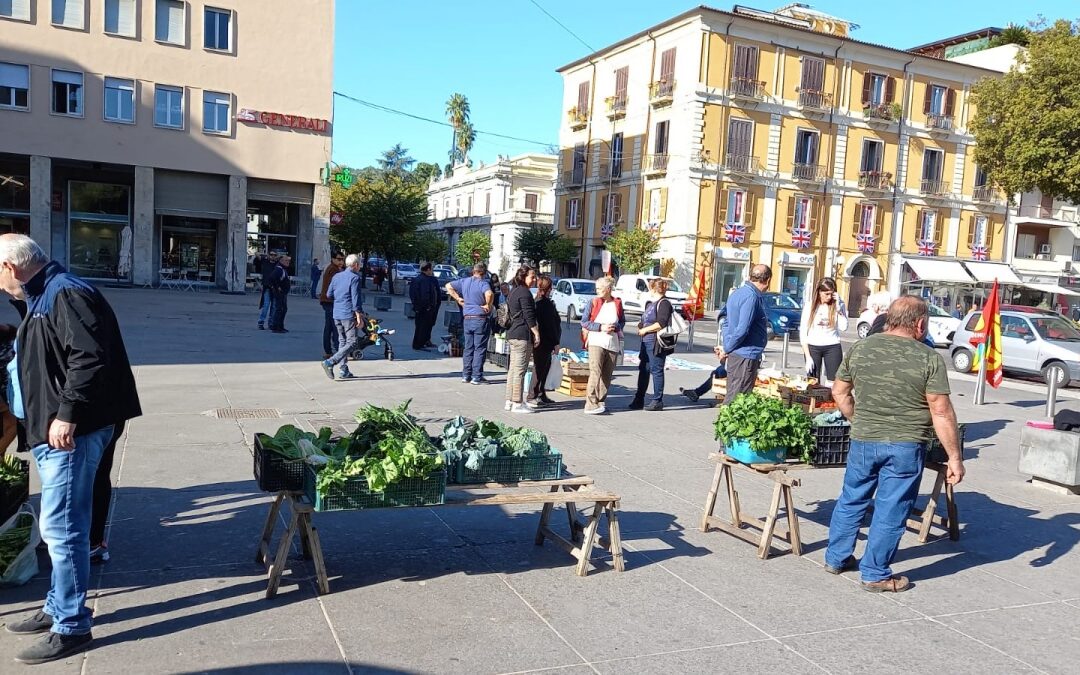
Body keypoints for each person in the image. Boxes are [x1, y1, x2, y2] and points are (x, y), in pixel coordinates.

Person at [0, 234, 141, 664]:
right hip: (53, 429)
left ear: (10, 268)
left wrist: (67, 414)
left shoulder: (65, 293)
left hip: (71, 432)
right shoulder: (42, 293)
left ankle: (72, 626)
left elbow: (90, 358)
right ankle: (57, 606)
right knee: (59, 527)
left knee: (64, 531)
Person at [825, 296, 964, 593]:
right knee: (891, 508)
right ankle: (874, 573)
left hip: (864, 439)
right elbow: (940, 410)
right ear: (920, 323)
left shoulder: (861, 348)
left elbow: (839, 392)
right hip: (905, 443)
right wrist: (954, 457)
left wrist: (856, 418)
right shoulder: (928, 357)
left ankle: (836, 558)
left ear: (889, 318)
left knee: (852, 498)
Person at [716, 264, 771, 404]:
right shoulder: (751, 297)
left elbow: (726, 322)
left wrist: (727, 344)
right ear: (768, 280)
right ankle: (727, 424)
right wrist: (727, 348)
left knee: (734, 393)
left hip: (739, 354)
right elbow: (742, 329)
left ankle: (727, 422)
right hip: (745, 356)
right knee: (739, 399)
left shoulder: (737, 293)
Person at [580, 276, 625, 414]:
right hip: (596, 341)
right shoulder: (593, 302)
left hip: (612, 343)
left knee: (607, 374)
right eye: (597, 288)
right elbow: (584, 322)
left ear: (608, 289)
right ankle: (590, 403)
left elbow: (622, 321)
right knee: (595, 372)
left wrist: (616, 327)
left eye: (600, 288)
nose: (597, 290)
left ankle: (600, 401)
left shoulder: (617, 303)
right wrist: (601, 327)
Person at [630, 278, 675, 411]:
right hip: (645, 342)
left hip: (656, 342)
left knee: (656, 370)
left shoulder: (664, 303)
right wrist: (641, 325)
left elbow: (661, 323)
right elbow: (645, 319)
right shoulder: (650, 303)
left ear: (653, 289)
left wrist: (645, 329)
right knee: (644, 370)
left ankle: (657, 400)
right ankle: (639, 398)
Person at [446, 262, 495, 384]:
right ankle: (476, 376)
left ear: (473, 271)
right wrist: (487, 305)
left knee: (468, 348)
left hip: (467, 317)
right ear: (484, 273)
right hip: (480, 318)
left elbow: (448, 286)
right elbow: (489, 294)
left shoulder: (464, 281)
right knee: (479, 348)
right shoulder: (483, 283)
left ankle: (466, 375)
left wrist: (458, 298)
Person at [320, 254, 364, 381]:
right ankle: (330, 362)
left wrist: (339, 300)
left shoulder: (337, 276)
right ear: (356, 265)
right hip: (348, 314)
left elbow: (329, 294)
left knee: (342, 341)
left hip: (336, 313)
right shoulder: (355, 278)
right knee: (352, 342)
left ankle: (344, 370)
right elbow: (356, 299)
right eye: (359, 264)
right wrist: (359, 315)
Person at [504, 266, 540, 413]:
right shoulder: (525, 293)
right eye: (532, 276)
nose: (535, 279)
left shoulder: (514, 291)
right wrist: (536, 332)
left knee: (513, 370)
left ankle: (509, 400)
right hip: (522, 334)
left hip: (513, 333)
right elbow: (529, 315)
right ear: (523, 277)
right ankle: (517, 403)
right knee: (520, 370)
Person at [800, 277, 848, 383]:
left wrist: (839, 309)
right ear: (819, 292)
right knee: (813, 382)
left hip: (832, 345)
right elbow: (803, 332)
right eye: (826, 294)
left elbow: (844, 327)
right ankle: (815, 400)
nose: (829, 297)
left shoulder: (838, 304)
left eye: (831, 294)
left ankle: (830, 399)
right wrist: (808, 357)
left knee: (834, 381)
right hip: (813, 346)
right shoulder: (810, 306)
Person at [529, 275, 562, 406]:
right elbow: (551, 325)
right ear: (548, 288)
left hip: (543, 340)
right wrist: (556, 342)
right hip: (545, 341)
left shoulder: (537, 301)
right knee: (540, 368)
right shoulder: (544, 304)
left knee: (544, 367)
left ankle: (541, 393)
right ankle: (533, 394)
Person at [318, 253, 346, 359]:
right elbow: (336, 286)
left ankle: (328, 351)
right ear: (333, 259)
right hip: (330, 301)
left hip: (327, 300)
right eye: (338, 259)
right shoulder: (333, 270)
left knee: (329, 326)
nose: (341, 262)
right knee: (335, 327)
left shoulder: (333, 268)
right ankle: (338, 350)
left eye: (342, 259)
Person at [410, 262, 440, 350]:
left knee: (422, 325)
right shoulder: (425, 280)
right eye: (431, 269)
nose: (432, 271)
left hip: (419, 307)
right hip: (425, 308)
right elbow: (425, 294)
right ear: (428, 270)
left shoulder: (417, 279)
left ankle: (423, 341)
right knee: (423, 326)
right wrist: (428, 306)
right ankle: (419, 344)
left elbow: (412, 294)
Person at [268, 254, 292, 333]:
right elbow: (272, 278)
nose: (288, 262)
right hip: (279, 293)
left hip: (283, 293)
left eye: (288, 261)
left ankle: (280, 326)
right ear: (281, 261)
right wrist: (277, 287)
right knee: (280, 309)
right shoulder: (279, 269)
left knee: (283, 309)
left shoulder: (283, 269)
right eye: (286, 260)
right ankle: (276, 327)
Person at [256, 251, 279, 330]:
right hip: (267, 287)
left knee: (274, 306)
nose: (273, 256)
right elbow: (256, 253)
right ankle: (261, 322)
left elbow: (287, 258)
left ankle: (271, 323)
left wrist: (278, 257)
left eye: (274, 255)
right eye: (271, 255)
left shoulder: (278, 264)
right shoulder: (265, 261)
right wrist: (266, 255)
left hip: (275, 288)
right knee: (266, 305)